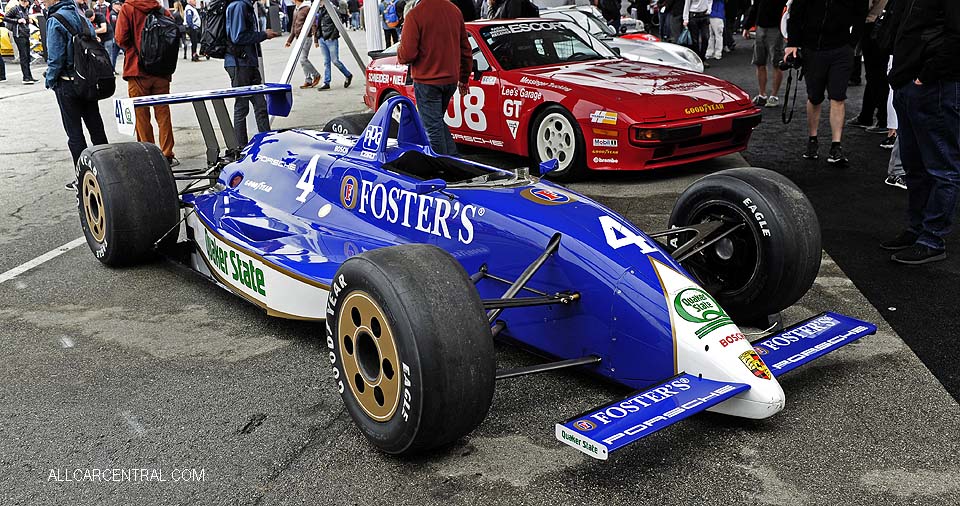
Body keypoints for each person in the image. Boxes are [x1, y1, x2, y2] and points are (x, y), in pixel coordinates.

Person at [883, 0, 960, 265]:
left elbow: (956, 37)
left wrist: (925, 76)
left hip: (934, 86)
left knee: (941, 167)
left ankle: (932, 239)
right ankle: (917, 230)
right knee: (915, 167)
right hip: (912, 84)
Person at [785, 0, 867, 165]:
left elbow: (860, 13)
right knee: (814, 97)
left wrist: (851, 43)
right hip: (812, 49)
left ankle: (836, 145)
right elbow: (795, 14)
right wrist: (792, 43)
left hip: (841, 50)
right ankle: (812, 139)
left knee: (838, 97)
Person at [397, 0, 470, 155]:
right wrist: (463, 78)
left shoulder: (415, 14)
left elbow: (407, 54)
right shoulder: (454, 10)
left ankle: (443, 167)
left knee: (432, 130)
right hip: (450, 80)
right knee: (436, 123)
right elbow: (465, 49)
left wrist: (399, 49)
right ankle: (453, 159)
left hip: (427, 82)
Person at [43, 0, 108, 171]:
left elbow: (56, 58)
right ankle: (108, 169)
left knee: (74, 132)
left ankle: (82, 176)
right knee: (96, 126)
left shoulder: (55, 19)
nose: (42, 2)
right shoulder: (82, 16)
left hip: (67, 82)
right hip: (88, 80)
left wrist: (49, 80)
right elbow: (94, 41)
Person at [115, 0, 178, 166]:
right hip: (161, 70)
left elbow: (120, 38)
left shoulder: (128, 9)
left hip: (137, 70)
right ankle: (167, 153)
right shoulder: (161, 10)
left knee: (141, 115)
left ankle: (150, 155)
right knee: (163, 112)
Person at [225, 0, 279, 145]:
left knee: (260, 105)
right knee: (242, 107)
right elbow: (238, 37)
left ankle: (266, 142)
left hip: (247, 62)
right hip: (239, 64)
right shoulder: (239, 6)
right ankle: (240, 147)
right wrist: (263, 35)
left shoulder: (245, 6)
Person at [846, 0, 888, 132]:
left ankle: (883, 119)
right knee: (876, 74)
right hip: (882, 24)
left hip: (873, 25)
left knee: (875, 74)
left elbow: (864, 5)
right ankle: (867, 115)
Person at [744, 0, 785, 107]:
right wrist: (747, 26)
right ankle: (762, 95)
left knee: (777, 63)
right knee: (759, 62)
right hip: (760, 27)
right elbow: (755, 7)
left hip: (776, 28)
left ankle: (774, 96)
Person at [317, 0, 352, 90]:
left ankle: (348, 74)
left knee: (335, 60)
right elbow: (318, 25)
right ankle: (326, 82)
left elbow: (338, 24)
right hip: (323, 38)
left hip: (330, 38)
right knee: (326, 61)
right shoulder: (320, 9)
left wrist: (333, 36)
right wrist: (318, 37)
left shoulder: (333, 9)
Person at [284, 0, 319, 88]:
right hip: (298, 38)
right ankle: (308, 79)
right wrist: (289, 40)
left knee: (303, 59)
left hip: (306, 37)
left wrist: (315, 39)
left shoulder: (307, 8)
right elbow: (293, 26)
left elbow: (313, 24)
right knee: (302, 60)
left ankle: (316, 75)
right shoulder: (296, 9)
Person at [6, 0, 38, 83]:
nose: (24, 3)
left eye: (26, 1)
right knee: (24, 55)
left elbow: (25, 20)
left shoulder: (26, 9)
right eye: (23, 1)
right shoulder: (15, 9)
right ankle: (26, 77)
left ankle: (29, 76)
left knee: (27, 55)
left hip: (25, 33)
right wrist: (17, 21)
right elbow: (6, 18)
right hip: (18, 34)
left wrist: (29, 21)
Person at [107, 0, 121, 71]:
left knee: (114, 54)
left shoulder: (117, 13)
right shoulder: (113, 14)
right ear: (113, 5)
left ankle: (112, 69)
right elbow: (114, 26)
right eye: (117, 4)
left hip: (117, 36)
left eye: (119, 4)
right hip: (116, 37)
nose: (119, 6)